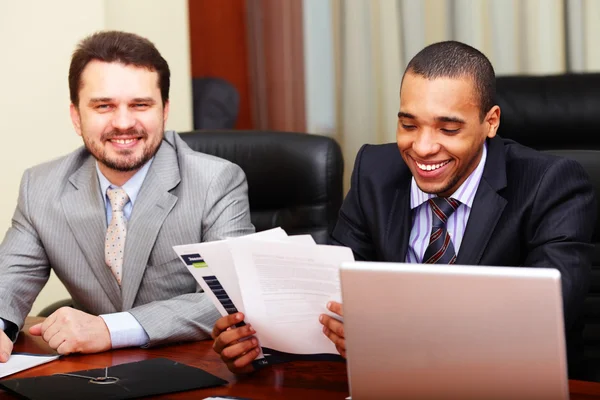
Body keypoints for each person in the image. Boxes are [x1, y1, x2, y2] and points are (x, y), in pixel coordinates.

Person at [212, 40, 596, 375]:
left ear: (490, 122)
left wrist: (394, 339)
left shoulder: (550, 184)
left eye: (448, 129)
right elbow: (335, 294)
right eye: (409, 125)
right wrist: (259, 345)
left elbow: (547, 317)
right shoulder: (375, 173)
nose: (423, 148)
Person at [0, 30, 254, 363]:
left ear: (164, 110)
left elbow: (229, 298)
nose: (123, 123)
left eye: (140, 105)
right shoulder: (41, 186)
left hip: (192, 368)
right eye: (103, 106)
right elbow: (10, 280)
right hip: (96, 377)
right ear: (77, 116)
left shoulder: (216, 181)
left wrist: (109, 329)